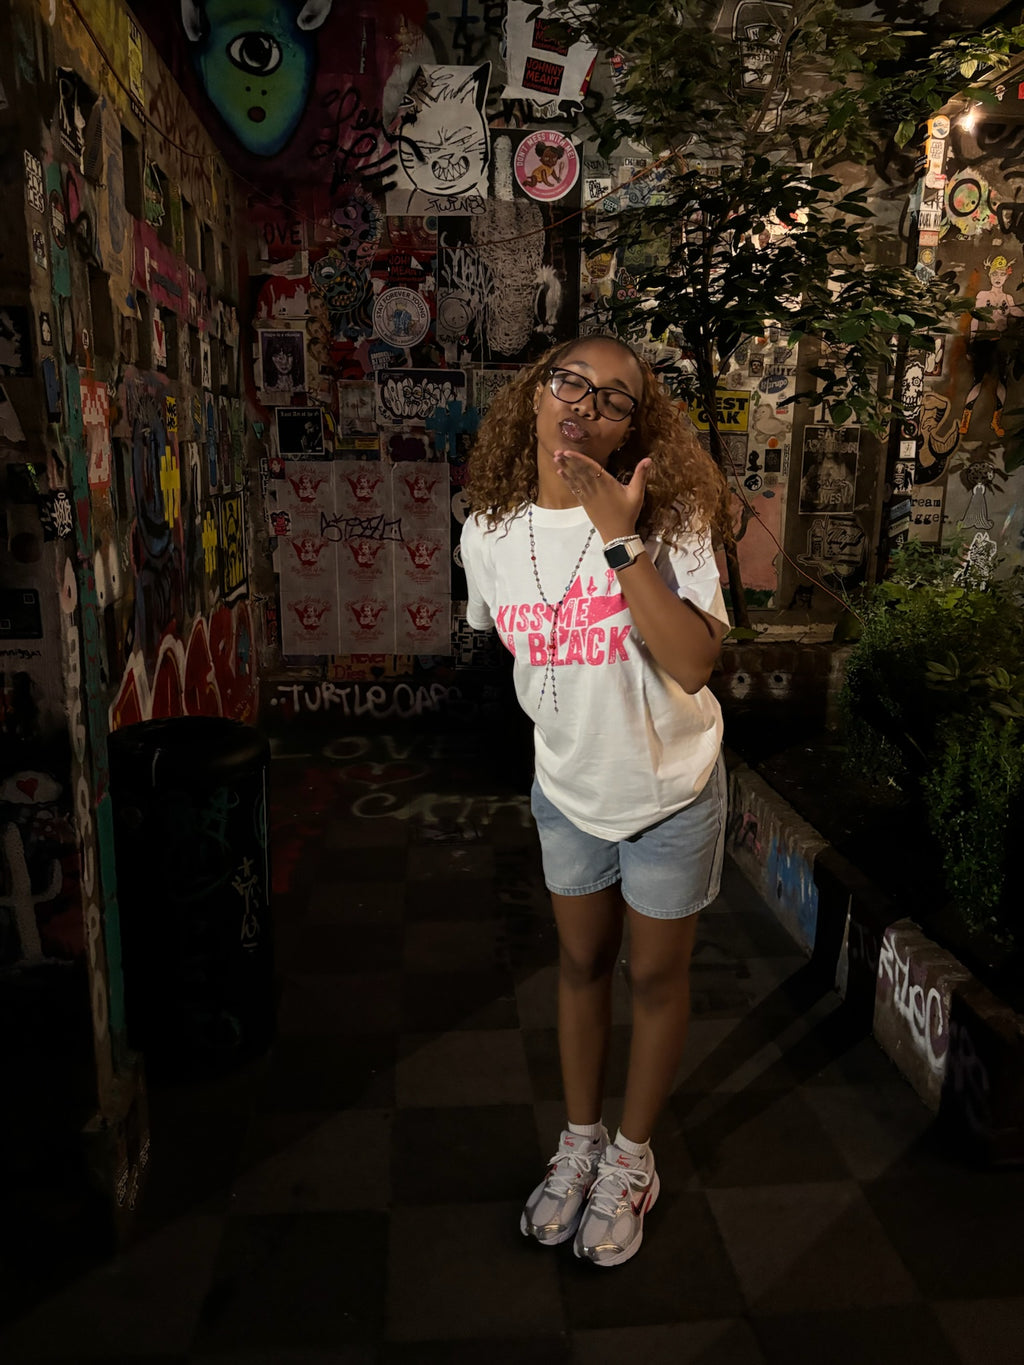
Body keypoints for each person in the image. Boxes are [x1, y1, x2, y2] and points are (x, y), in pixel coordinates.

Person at [461, 334, 732, 1268]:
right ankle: (579, 1143)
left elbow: (695, 664)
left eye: (613, 398)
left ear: (630, 426)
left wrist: (620, 536)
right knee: (580, 967)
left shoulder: (672, 514)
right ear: (537, 396)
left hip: (669, 788)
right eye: (569, 379)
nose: (584, 401)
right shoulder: (487, 534)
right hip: (569, 790)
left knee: (653, 978)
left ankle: (632, 1159)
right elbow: (518, 650)